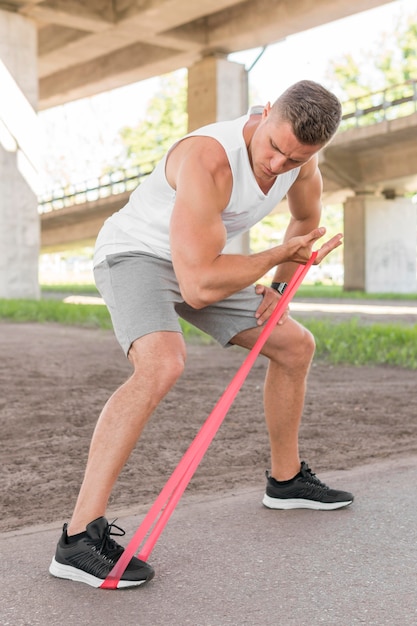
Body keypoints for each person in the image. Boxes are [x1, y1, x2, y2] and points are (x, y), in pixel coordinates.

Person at [49, 79, 353, 589]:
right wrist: (278, 256)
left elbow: (305, 216)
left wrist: (278, 287)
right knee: (162, 363)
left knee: (295, 345)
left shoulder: (301, 162)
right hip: (137, 256)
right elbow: (198, 284)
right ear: (266, 110)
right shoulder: (208, 159)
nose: (279, 165)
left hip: (202, 261)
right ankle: (78, 539)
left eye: (295, 158)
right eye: (275, 148)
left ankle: (285, 480)